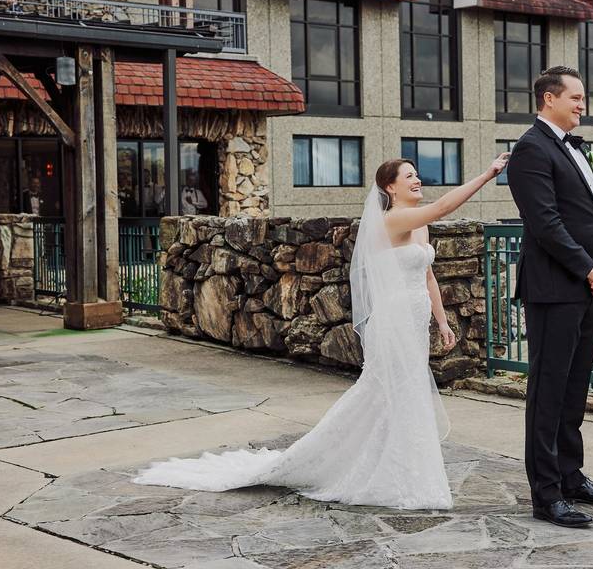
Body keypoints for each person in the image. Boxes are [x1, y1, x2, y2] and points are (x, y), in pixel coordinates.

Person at [133, 152, 510, 509]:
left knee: (405, 394)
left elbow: (427, 275)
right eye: (408, 176)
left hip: (413, 322)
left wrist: (442, 321)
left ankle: (404, 470)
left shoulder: (420, 224)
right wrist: (488, 174)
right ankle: (381, 474)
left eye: (416, 174)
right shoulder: (393, 220)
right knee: (386, 392)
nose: (417, 179)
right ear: (390, 187)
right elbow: (445, 207)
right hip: (390, 322)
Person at [506, 66, 593, 528]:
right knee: (548, 391)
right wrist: (586, 268)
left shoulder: (580, 149)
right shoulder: (530, 150)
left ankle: (572, 476)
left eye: (582, 97)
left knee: (575, 388)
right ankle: (547, 495)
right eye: (574, 97)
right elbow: (545, 222)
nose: (582, 105)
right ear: (548, 99)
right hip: (554, 289)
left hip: (588, 284)